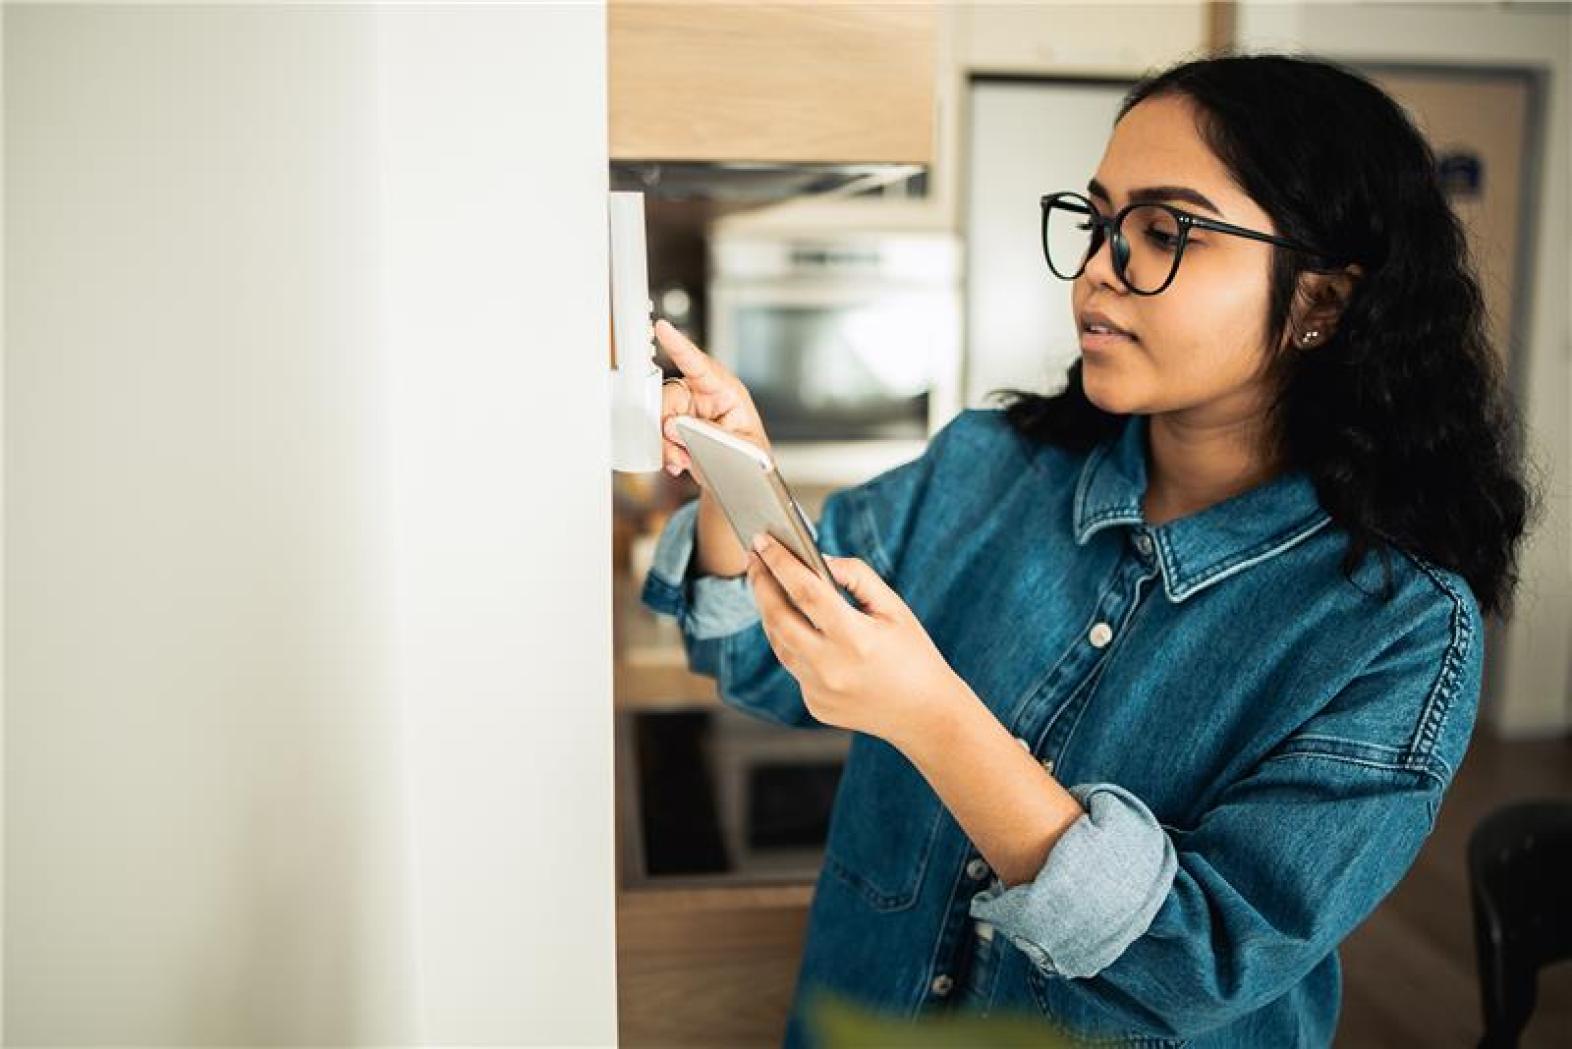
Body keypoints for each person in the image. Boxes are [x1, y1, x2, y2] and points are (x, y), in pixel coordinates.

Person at [640, 52, 1539, 1048]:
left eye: (1166, 230)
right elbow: (752, 653)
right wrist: (732, 472)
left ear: (1319, 302)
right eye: (1101, 220)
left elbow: (1190, 961)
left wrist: (935, 717)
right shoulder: (988, 468)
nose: (1100, 266)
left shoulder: (1399, 626)